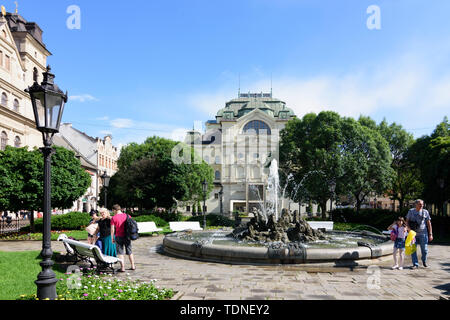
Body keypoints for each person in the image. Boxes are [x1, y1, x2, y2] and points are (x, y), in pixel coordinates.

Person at [406, 199, 433, 269]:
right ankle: (415, 264)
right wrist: (409, 230)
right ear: (416, 205)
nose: (421, 205)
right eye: (420, 204)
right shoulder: (411, 211)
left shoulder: (425, 212)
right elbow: (407, 222)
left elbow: (429, 223)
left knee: (425, 250)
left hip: (423, 234)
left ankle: (424, 260)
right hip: (413, 234)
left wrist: (430, 234)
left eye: (422, 204)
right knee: (413, 249)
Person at [111, 204, 135, 272]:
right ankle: (133, 266)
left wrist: (112, 238)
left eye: (113, 210)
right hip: (127, 236)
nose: (113, 212)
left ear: (115, 210)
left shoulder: (114, 218)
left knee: (120, 253)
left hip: (118, 236)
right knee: (129, 251)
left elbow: (112, 229)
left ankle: (123, 267)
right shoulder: (127, 216)